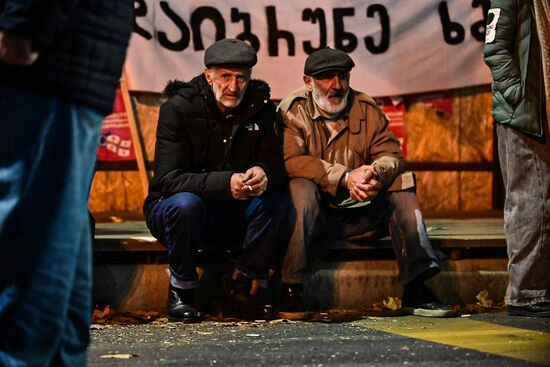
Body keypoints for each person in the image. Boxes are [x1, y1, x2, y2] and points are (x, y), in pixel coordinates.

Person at [0, 0, 133, 365]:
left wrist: (20, 28)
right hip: (64, 62)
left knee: (28, 245)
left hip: (40, 64)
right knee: (55, 233)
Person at [278, 47, 454, 319]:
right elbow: (292, 160)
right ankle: (292, 288)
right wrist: (346, 178)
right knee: (300, 186)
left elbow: (392, 155)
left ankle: (417, 287)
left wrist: (374, 173)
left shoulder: (366, 107)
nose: (336, 86)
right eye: (326, 77)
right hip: (314, 218)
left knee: (400, 181)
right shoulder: (292, 110)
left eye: (342, 76)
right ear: (307, 82)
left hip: (359, 215)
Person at [144, 38, 288, 322]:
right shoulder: (178, 108)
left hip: (232, 213)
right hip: (175, 210)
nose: (233, 87)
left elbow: (275, 162)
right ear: (208, 75)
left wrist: (263, 173)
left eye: (241, 78)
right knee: (186, 204)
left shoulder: (263, 108)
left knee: (278, 197)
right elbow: (168, 180)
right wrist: (226, 183)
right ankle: (181, 291)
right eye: (225, 77)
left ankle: (242, 284)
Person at [484, 0, 550, 317]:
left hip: (542, 112)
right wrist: (517, 94)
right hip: (523, 115)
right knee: (530, 201)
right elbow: (495, 48)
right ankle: (525, 293)